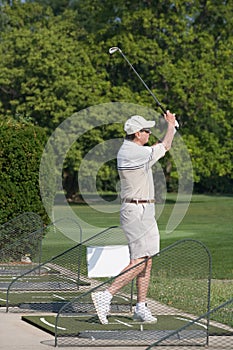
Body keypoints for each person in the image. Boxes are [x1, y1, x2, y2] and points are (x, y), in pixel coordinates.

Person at [92, 110, 177, 324]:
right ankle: (106, 295)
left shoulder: (136, 150)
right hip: (135, 211)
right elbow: (165, 146)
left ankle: (140, 306)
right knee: (139, 261)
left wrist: (171, 129)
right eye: (146, 131)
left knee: (147, 261)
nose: (149, 134)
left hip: (145, 211)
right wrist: (171, 125)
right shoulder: (131, 152)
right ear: (137, 134)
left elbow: (161, 147)